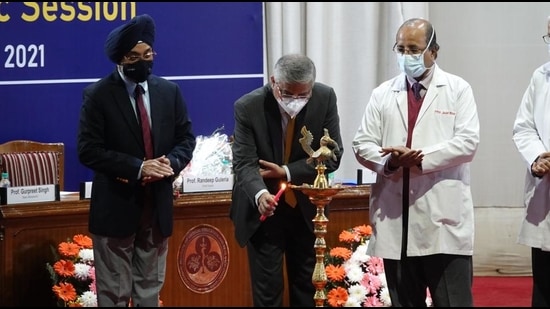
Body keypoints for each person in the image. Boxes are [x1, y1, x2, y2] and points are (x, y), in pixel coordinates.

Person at [351, 18, 480, 307]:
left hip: (443, 223)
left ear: (434, 51)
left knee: (453, 301)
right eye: (401, 49)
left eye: (414, 49)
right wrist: (392, 162)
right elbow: (362, 143)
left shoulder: (458, 89)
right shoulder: (383, 93)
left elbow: (468, 142)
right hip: (396, 221)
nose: (407, 56)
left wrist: (419, 158)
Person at [77, 14, 196, 307]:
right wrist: (138, 167)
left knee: (149, 292)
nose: (143, 62)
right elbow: (88, 150)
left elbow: (186, 138)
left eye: (148, 55)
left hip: (157, 208)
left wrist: (169, 163)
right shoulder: (98, 95)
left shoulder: (169, 91)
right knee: (114, 295)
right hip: (116, 206)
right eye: (134, 57)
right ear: (120, 59)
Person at [229, 53, 343, 306]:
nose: (296, 101)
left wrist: (286, 171)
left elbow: (333, 155)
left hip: (306, 209)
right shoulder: (248, 106)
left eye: (304, 95)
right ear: (273, 82)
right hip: (265, 211)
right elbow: (244, 163)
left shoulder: (324, 98)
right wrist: (260, 195)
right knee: (268, 292)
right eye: (289, 94)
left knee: (307, 287)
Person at [512, 16, 550, 308]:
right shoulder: (542, 76)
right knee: (545, 289)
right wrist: (537, 155)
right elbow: (524, 127)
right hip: (546, 196)